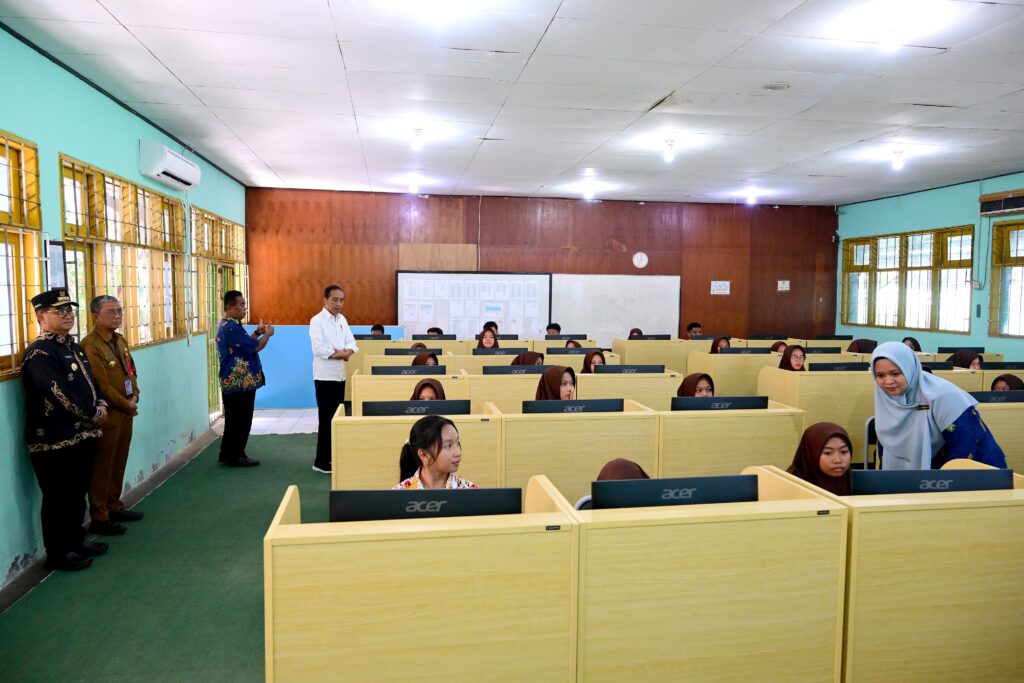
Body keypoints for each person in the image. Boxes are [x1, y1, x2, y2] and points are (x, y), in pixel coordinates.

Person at [22, 289, 109, 571]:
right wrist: (92, 413)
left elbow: (90, 381)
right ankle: (57, 553)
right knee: (58, 497)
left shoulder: (72, 346)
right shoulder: (40, 352)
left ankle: (76, 540)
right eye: (59, 311)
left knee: (77, 492)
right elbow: (57, 392)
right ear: (40, 317)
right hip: (54, 440)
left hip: (82, 435)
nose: (67, 315)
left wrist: (102, 403)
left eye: (70, 310)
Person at [871, 342, 1006, 469]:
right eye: (880, 375)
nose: (888, 381)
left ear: (909, 369)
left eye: (895, 373)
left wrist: (939, 486)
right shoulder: (886, 396)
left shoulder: (943, 396)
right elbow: (887, 443)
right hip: (929, 473)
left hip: (975, 471)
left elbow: (964, 448)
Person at [80, 295, 142, 537]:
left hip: (127, 410)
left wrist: (135, 395)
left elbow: (131, 372)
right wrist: (126, 404)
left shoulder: (120, 340)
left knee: (119, 461)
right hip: (110, 415)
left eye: (119, 311)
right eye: (111, 312)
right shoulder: (90, 345)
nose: (117, 316)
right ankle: (100, 515)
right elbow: (102, 385)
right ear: (96, 316)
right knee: (103, 466)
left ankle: (115, 505)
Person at [218, 290, 273, 468]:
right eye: (241, 304)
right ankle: (237, 456)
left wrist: (257, 332)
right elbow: (255, 347)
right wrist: (267, 335)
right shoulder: (231, 327)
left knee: (233, 420)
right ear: (229, 307)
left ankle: (227, 454)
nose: (244, 307)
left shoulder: (228, 324)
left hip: (235, 382)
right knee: (241, 419)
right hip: (239, 382)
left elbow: (245, 345)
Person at [309, 285, 357, 474]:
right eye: (335, 299)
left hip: (339, 376)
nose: (339, 303)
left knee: (336, 419)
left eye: (342, 300)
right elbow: (318, 349)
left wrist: (348, 351)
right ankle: (320, 462)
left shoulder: (342, 319)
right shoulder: (317, 321)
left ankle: (331, 457)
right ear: (325, 300)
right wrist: (342, 354)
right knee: (325, 419)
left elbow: (352, 342)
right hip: (324, 377)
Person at [394, 416, 476, 489]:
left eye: (457, 443)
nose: (458, 452)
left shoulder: (470, 490)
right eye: (448, 446)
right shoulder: (398, 493)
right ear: (424, 455)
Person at [785, 422, 853, 496]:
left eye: (843, 452)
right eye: (828, 453)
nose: (838, 460)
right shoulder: (789, 484)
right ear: (811, 454)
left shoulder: (857, 480)